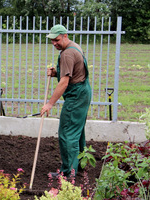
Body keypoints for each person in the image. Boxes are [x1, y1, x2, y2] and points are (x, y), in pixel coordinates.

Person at [40, 25, 92, 177]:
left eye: (56, 40)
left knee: (67, 132)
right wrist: (57, 72)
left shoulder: (67, 54)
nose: (54, 43)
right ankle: (81, 165)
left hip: (76, 95)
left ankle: (69, 172)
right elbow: (73, 71)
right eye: (52, 41)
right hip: (83, 92)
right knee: (77, 130)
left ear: (64, 35)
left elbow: (64, 82)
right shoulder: (74, 47)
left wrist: (49, 104)